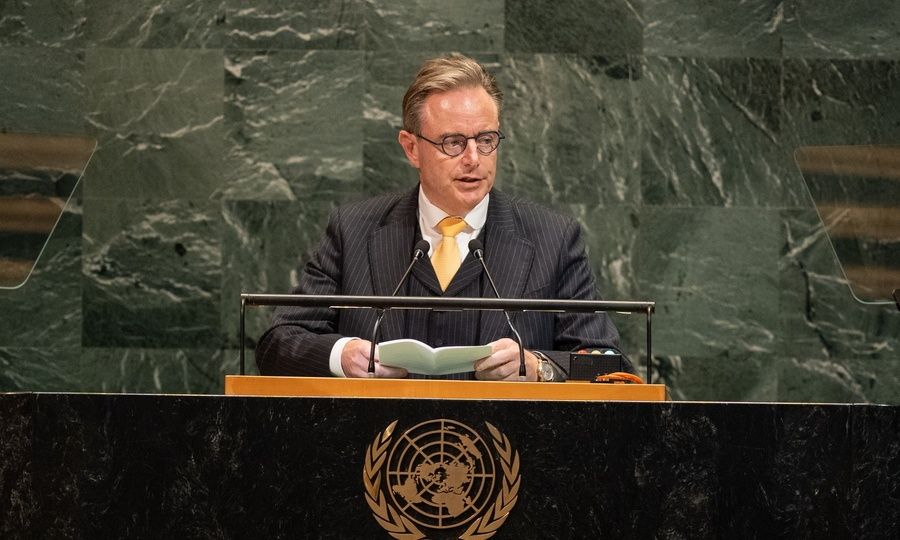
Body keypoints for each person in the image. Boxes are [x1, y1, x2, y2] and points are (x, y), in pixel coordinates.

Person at [255, 54, 626, 381]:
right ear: (411, 148)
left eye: (486, 139)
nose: (473, 159)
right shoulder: (352, 231)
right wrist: (343, 355)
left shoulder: (553, 238)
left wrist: (539, 366)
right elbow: (278, 343)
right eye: (453, 142)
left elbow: (608, 364)